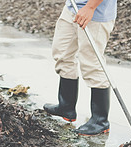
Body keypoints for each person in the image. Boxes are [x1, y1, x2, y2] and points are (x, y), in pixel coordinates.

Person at [43, 0, 117, 135]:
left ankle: (100, 121)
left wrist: (90, 7)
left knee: (92, 64)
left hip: (94, 13)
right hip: (72, 7)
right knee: (62, 54)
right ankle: (66, 107)